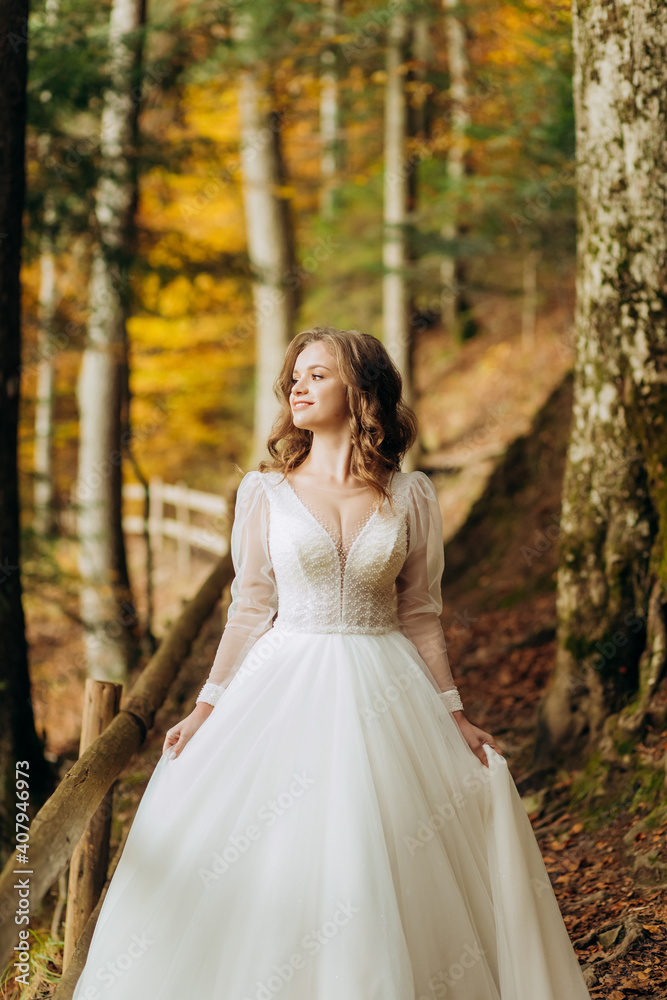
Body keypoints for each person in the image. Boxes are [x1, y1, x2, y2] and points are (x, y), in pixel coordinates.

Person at [71, 327, 591, 1000]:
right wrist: (206, 707)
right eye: (294, 375)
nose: (297, 385)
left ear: (361, 391)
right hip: (281, 685)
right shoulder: (264, 493)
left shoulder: (410, 498)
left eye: (317, 374)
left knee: (385, 852)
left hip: (389, 689)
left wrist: (454, 716)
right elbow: (250, 608)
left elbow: (419, 616)